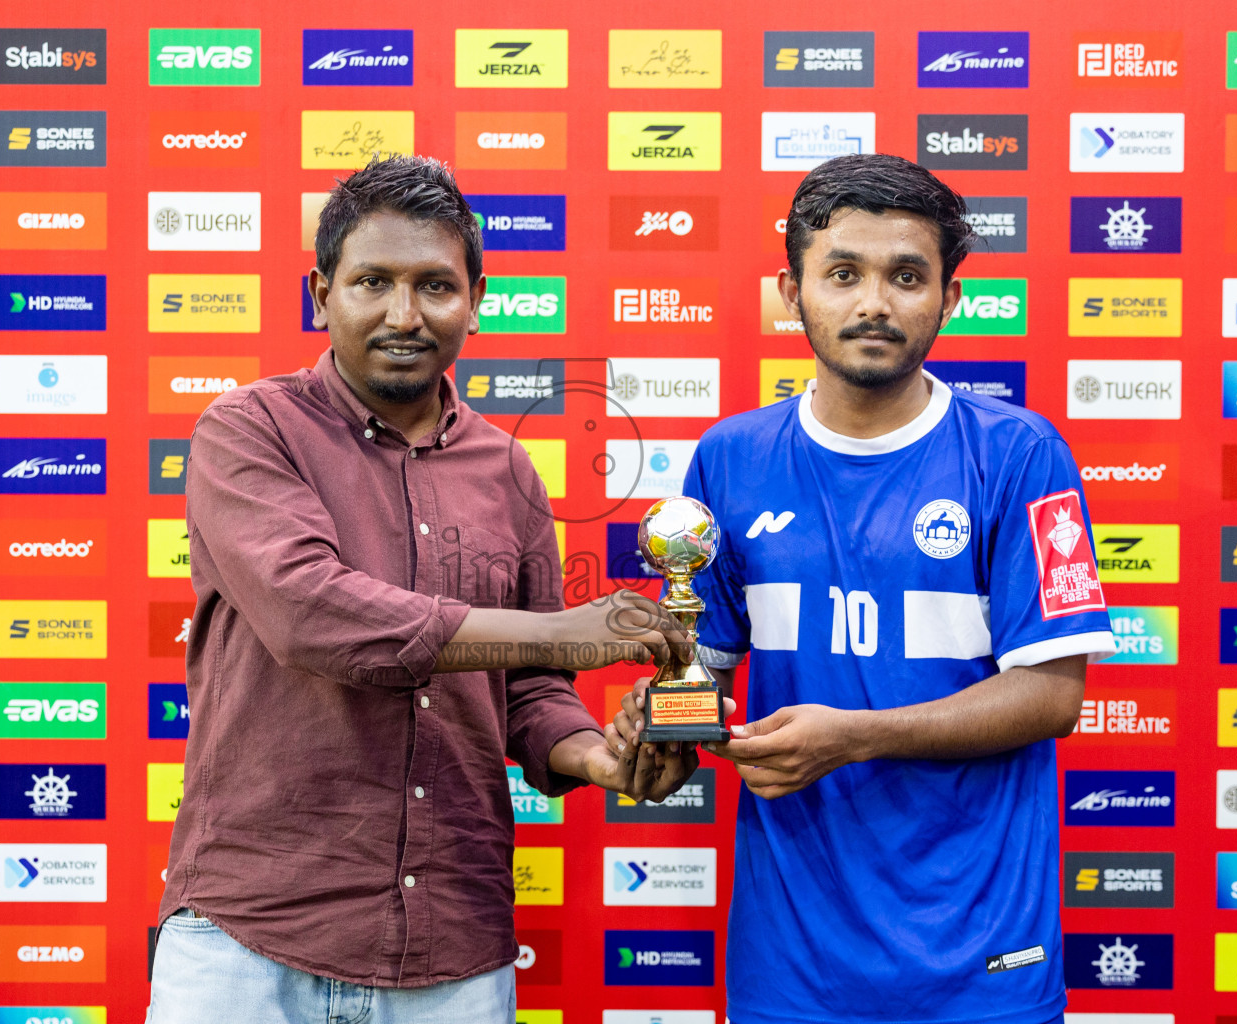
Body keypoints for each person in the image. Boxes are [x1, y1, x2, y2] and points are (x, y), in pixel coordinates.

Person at [148, 155, 697, 1024]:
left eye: (435, 286)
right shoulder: (248, 429)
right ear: (321, 294)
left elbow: (530, 695)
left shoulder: (507, 471)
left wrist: (601, 758)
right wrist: (571, 633)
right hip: (253, 939)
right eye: (373, 282)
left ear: (474, 301)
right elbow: (310, 613)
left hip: (452, 948)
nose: (405, 315)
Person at [612, 153, 1116, 1024]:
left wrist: (857, 737)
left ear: (951, 297)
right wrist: (664, 722)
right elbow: (709, 672)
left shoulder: (1021, 455)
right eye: (842, 273)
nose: (874, 302)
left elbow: (1052, 694)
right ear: (791, 290)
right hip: (792, 967)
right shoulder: (729, 460)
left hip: (980, 960)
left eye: (907, 276)